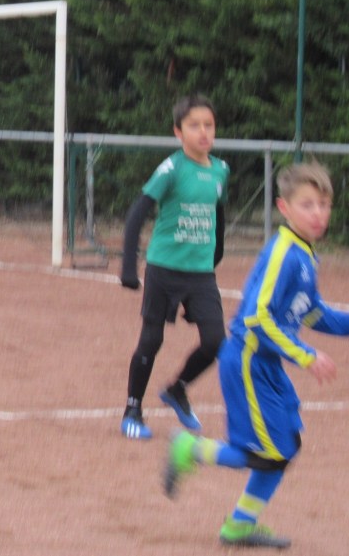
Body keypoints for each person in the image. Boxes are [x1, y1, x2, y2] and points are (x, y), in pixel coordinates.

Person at [163, 162, 349, 548]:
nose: (318, 213)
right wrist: (305, 355)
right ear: (284, 207)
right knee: (268, 452)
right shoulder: (285, 254)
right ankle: (190, 449)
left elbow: (313, 314)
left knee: (285, 446)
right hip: (247, 360)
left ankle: (240, 524)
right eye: (307, 205)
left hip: (266, 364)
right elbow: (256, 318)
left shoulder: (304, 255)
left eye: (324, 204)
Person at [118, 94, 230, 440]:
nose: (203, 132)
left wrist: (216, 253)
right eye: (194, 126)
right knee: (151, 339)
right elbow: (138, 212)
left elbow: (218, 213)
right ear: (178, 133)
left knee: (216, 341)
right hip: (164, 269)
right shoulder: (171, 168)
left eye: (208, 125)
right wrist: (128, 265)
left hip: (200, 273)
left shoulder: (220, 170)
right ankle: (132, 409)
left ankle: (177, 388)